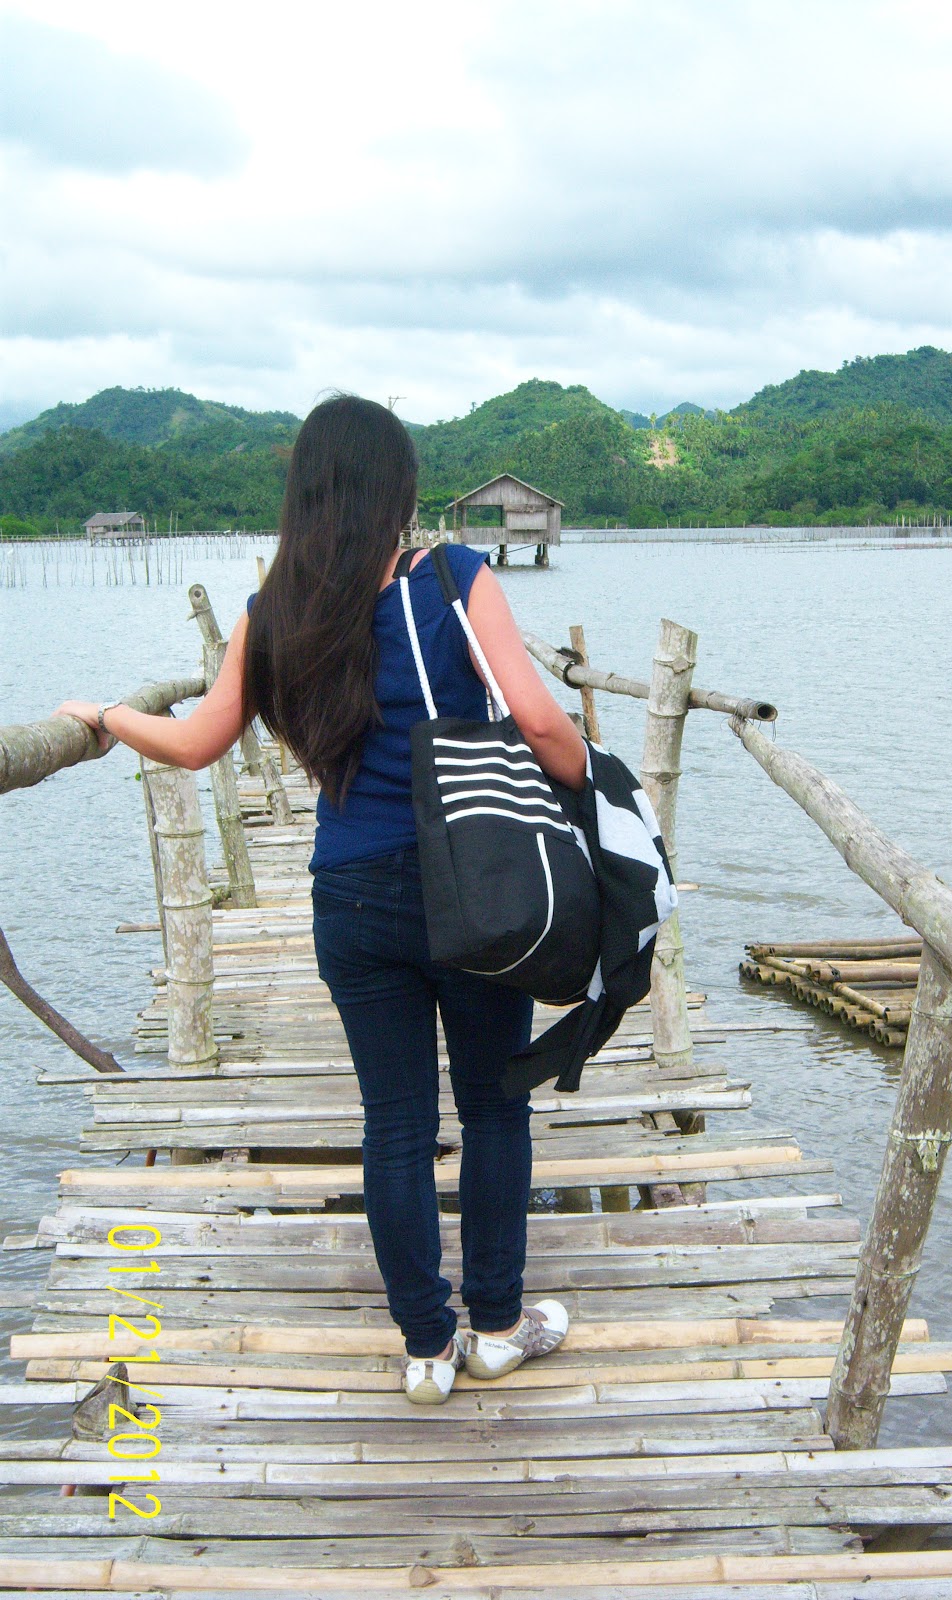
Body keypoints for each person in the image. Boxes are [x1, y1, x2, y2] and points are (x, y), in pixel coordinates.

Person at [54, 394, 588, 1404]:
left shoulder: (273, 613)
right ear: (398, 490)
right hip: (471, 884)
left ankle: (427, 1348)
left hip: (352, 895)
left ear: (307, 495)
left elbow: (201, 738)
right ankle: (501, 1327)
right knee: (493, 1105)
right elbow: (540, 721)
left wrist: (111, 714)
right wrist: (595, 798)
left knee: (394, 1121)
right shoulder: (453, 577)